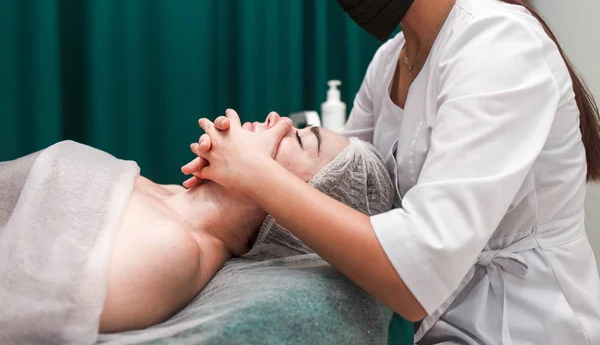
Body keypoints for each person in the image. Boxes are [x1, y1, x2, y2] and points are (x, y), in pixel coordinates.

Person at [184, 0, 600, 343]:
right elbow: (337, 186)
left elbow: (414, 280)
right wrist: (241, 180)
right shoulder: (389, 62)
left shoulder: (498, 47)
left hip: (527, 324)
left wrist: (257, 174)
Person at [0, 112, 394, 341]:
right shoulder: (164, 197)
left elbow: (24, 323)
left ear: (303, 204)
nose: (279, 120)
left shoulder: (169, 249)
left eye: (303, 140)